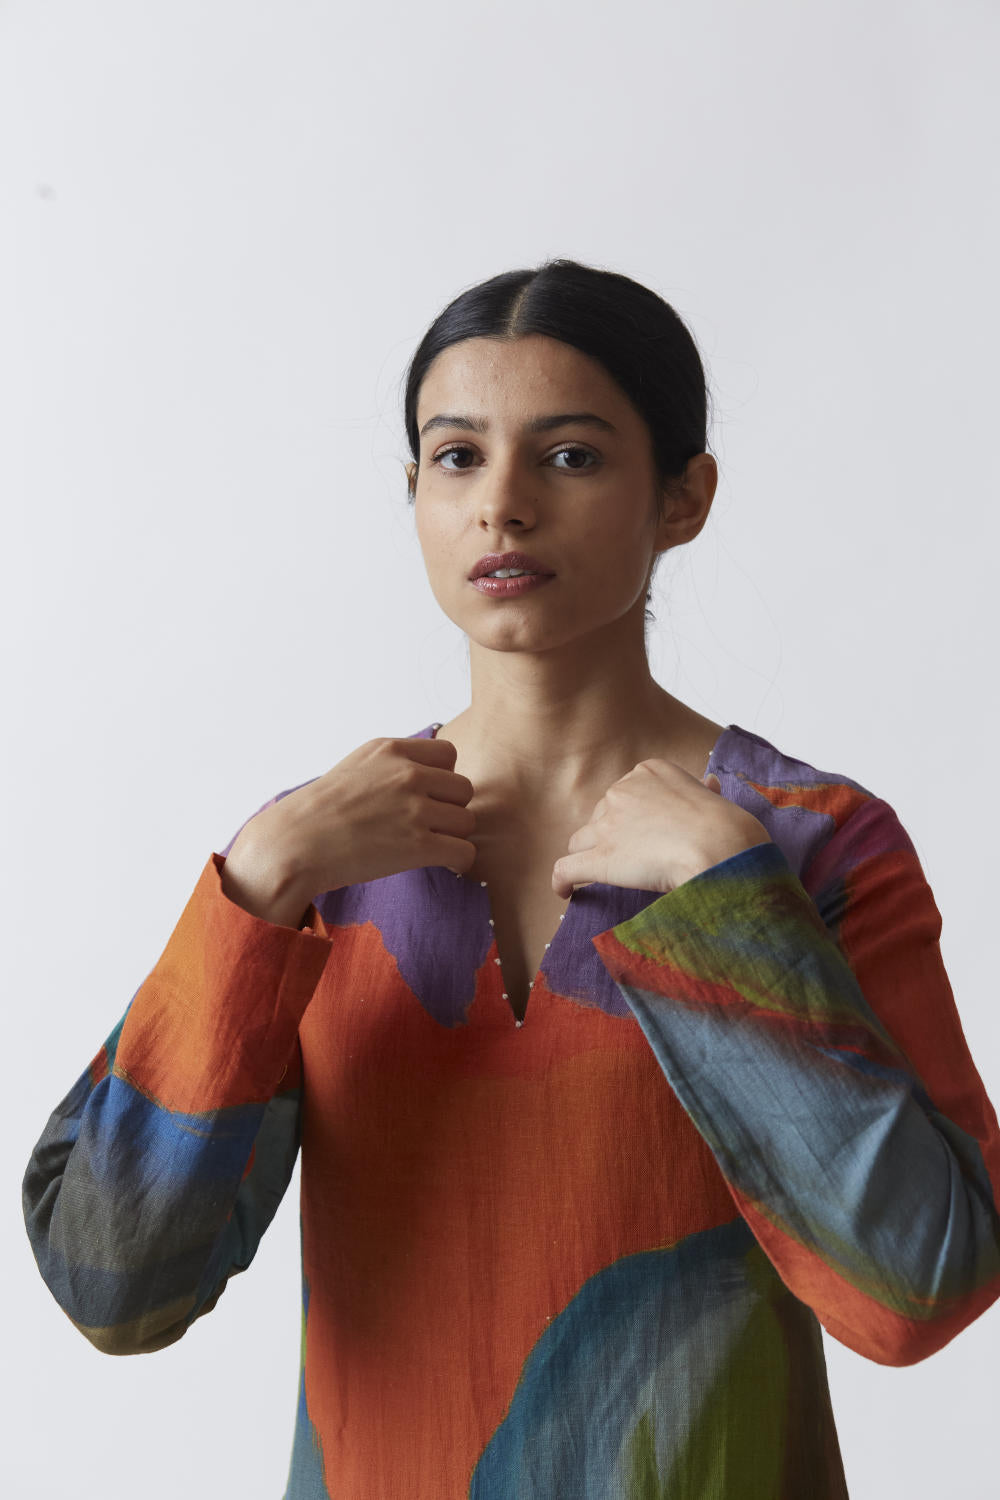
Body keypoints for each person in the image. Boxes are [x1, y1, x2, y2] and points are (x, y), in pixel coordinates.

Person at [22, 258, 1000, 1499]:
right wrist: (258, 885)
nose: (502, 506)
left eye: (571, 456)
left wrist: (729, 909)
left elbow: (917, 1296)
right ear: (414, 497)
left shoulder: (811, 845)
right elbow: (116, 1286)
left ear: (684, 497)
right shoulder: (318, 861)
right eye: (456, 458)